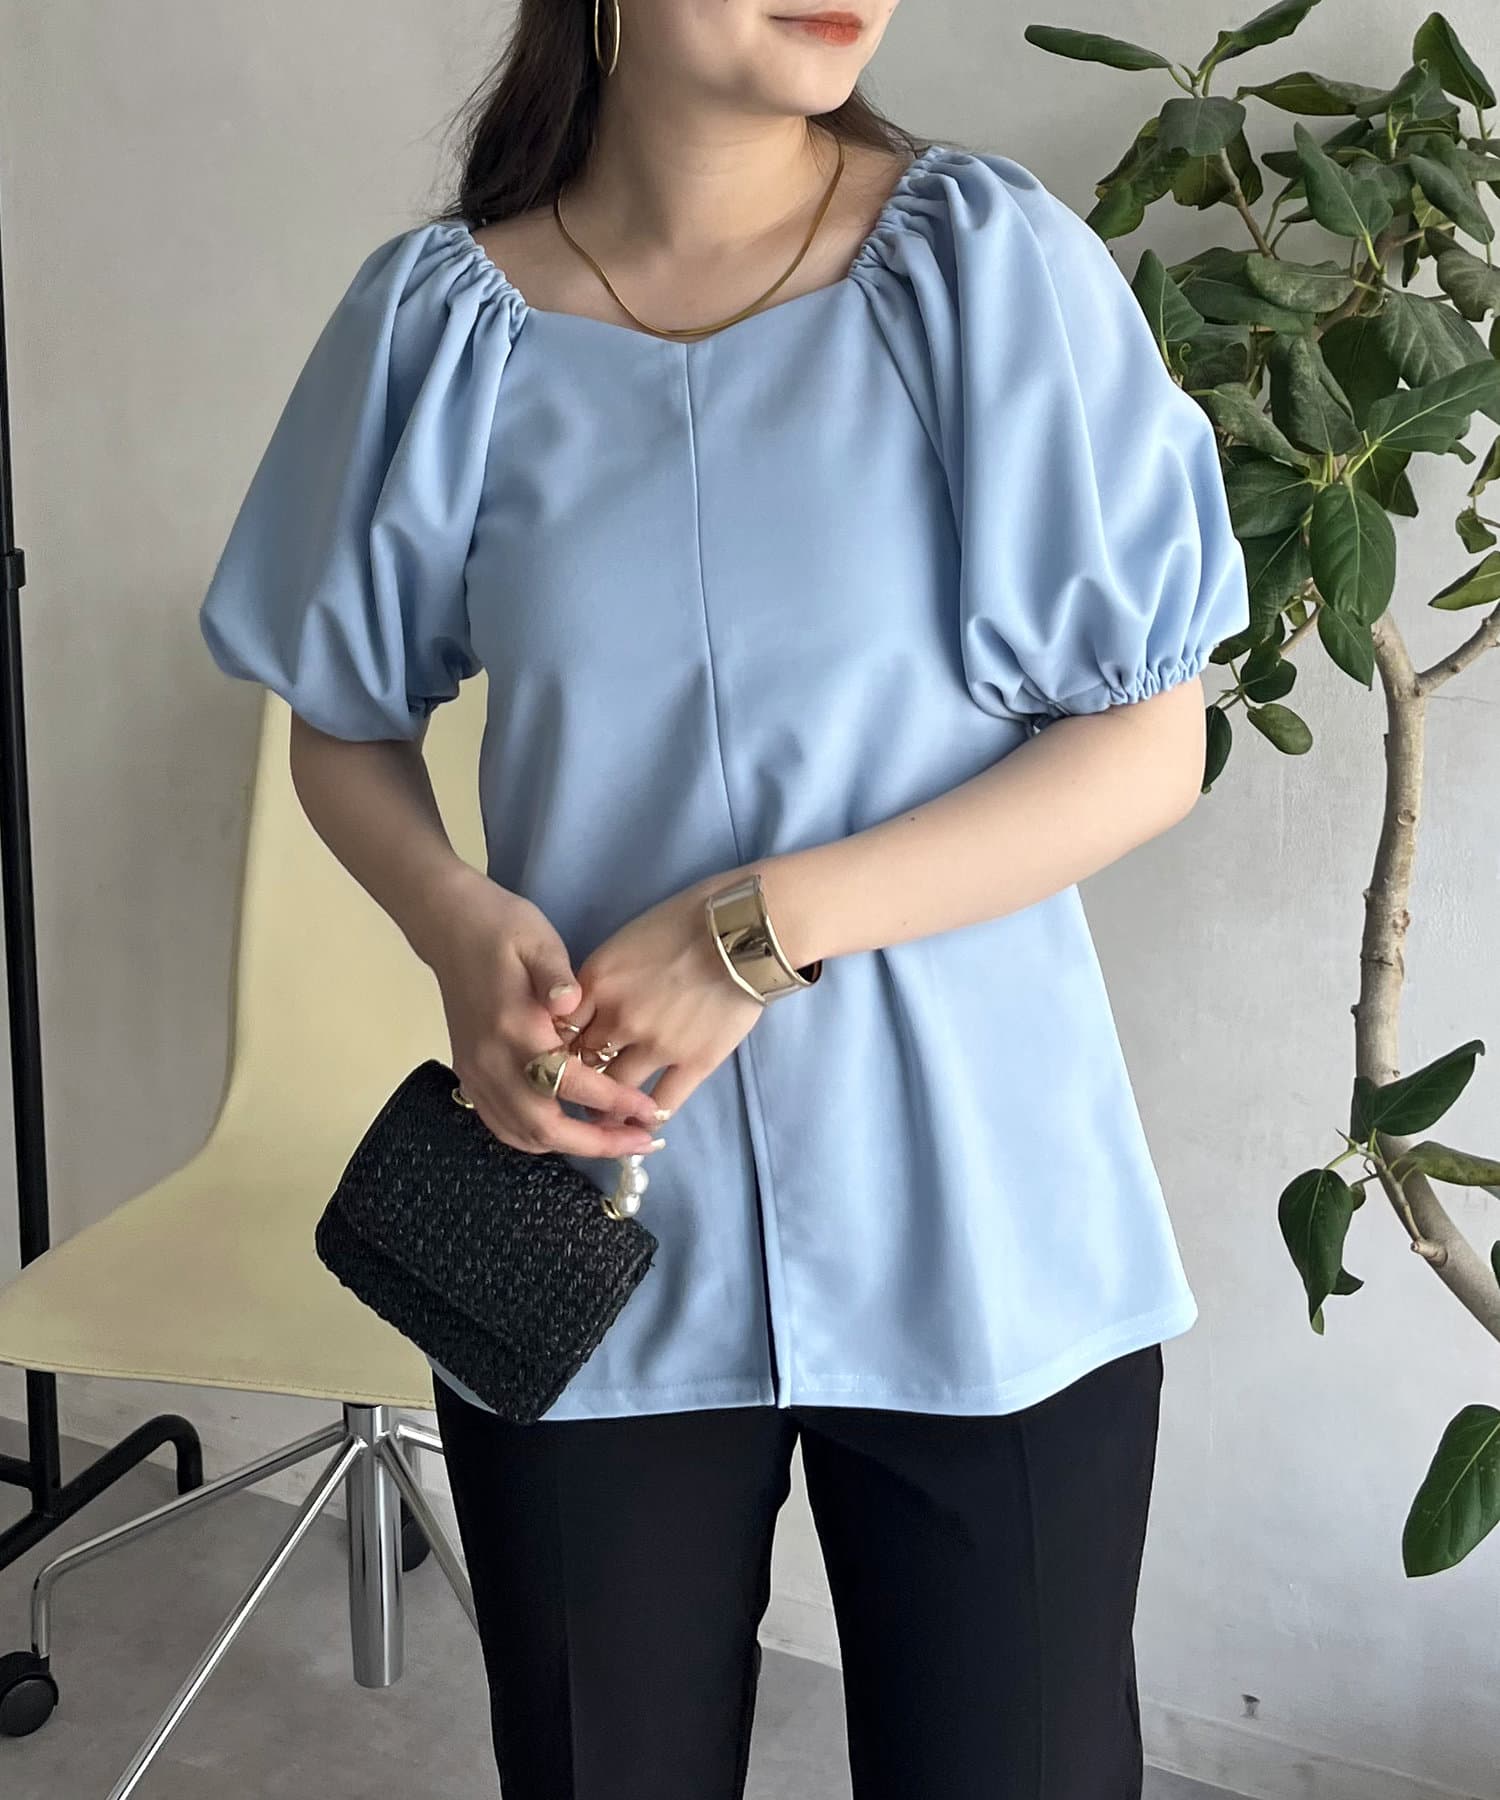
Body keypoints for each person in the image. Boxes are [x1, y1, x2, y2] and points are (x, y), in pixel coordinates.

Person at [196, 1, 1250, 1795]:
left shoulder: (984, 269)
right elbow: (341, 726)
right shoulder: (443, 324)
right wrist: (453, 923)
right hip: (589, 1220)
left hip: (983, 1208)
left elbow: (1152, 740)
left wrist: (748, 933)